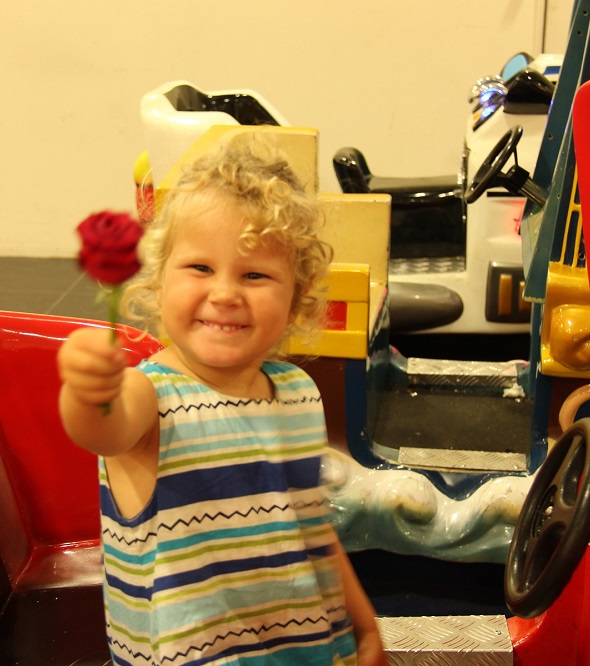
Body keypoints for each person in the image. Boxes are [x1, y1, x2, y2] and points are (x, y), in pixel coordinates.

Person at [58, 135, 386, 665]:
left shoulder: (298, 393)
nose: (226, 293)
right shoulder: (151, 397)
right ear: (159, 281)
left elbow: (312, 526)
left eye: (255, 275)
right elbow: (102, 427)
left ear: (296, 299)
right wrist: (87, 390)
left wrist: (364, 624)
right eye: (200, 268)